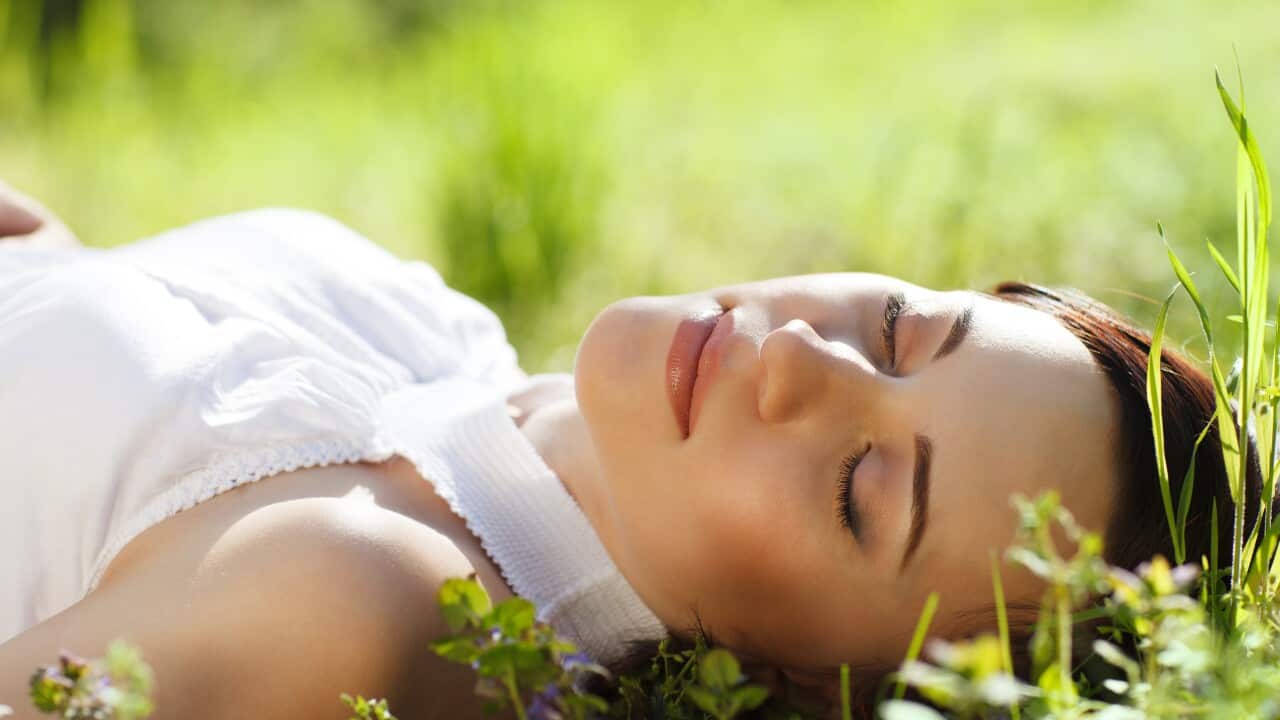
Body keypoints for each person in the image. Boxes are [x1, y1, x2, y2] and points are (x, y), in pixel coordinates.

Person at [0, 180, 1265, 719]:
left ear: (812, 688)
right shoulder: (448, 346)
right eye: (900, 327)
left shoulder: (368, 603)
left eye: (857, 487)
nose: (798, 364)